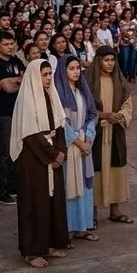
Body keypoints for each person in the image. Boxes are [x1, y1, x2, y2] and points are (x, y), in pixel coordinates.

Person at [10, 59, 70, 268]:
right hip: (33, 160)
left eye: (49, 74)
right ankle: (31, 250)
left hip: (52, 154)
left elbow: (60, 125)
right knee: (34, 205)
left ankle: (48, 245)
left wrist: (61, 152)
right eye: (44, 75)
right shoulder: (27, 99)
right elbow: (31, 135)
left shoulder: (51, 95)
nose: (47, 79)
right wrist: (52, 155)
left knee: (52, 202)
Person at [53, 54, 98, 241]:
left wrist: (88, 137)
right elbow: (62, 123)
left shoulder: (82, 91)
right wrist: (78, 142)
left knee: (85, 185)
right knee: (69, 184)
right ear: (63, 71)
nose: (76, 72)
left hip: (84, 141)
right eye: (71, 69)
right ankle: (68, 229)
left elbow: (92, 115)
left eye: (78, 68)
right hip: (70, 145)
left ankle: (82, 226)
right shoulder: (59, 94)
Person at [89, 46, 134, 223]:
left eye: (112, 60)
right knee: (94, 169)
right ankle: (90, 213)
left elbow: (127, 104)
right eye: (106, 60)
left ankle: (115, 210)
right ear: (99, 60)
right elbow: (84, 105)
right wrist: (102, 115)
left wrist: (120, 115)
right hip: (96, 132)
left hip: (115, 130)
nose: (110, 64)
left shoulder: (119, 82)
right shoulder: (89, 81)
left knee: (116, 168)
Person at [0, 31, 22, 206]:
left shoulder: (16, 61)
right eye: (6, 44)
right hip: (4, 113)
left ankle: (13, 184)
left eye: (11, 43)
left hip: (18, 111)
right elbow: (7, 88)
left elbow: (26, 79)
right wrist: (17, 81)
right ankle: (1, 190)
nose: (10, 47)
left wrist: (14, 81)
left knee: (16, 151)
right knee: (3, 153)